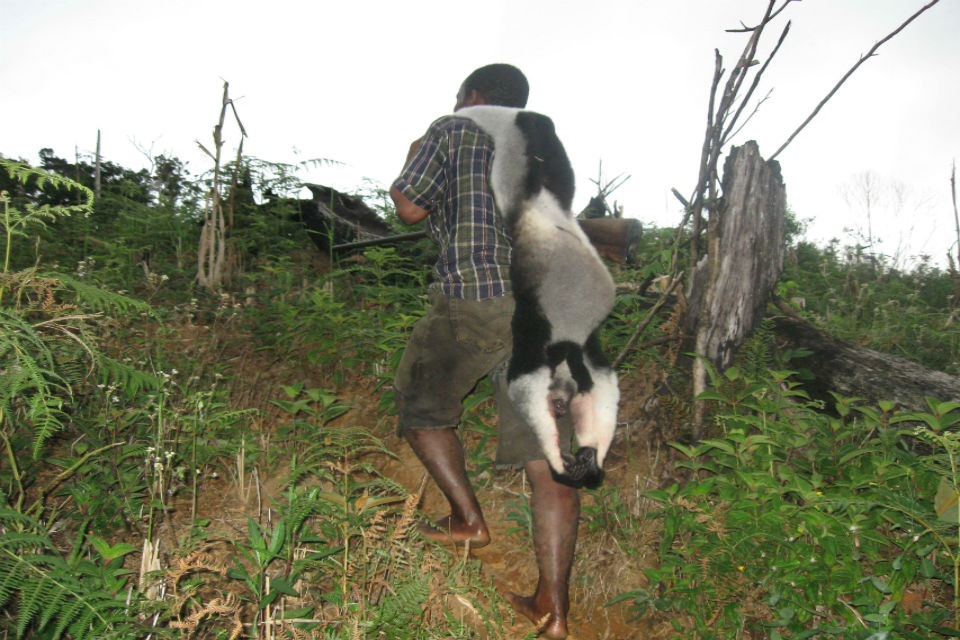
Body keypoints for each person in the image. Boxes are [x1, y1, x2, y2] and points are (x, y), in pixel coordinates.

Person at [389, 63, 580, 640]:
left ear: (472, 96)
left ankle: (468, 521)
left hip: (476, 296)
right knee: (551, 463)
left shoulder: (452, 128)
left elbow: (409, 208)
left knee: (421, 410)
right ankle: (554, 612)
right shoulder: (543, 143)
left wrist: (415, 152)